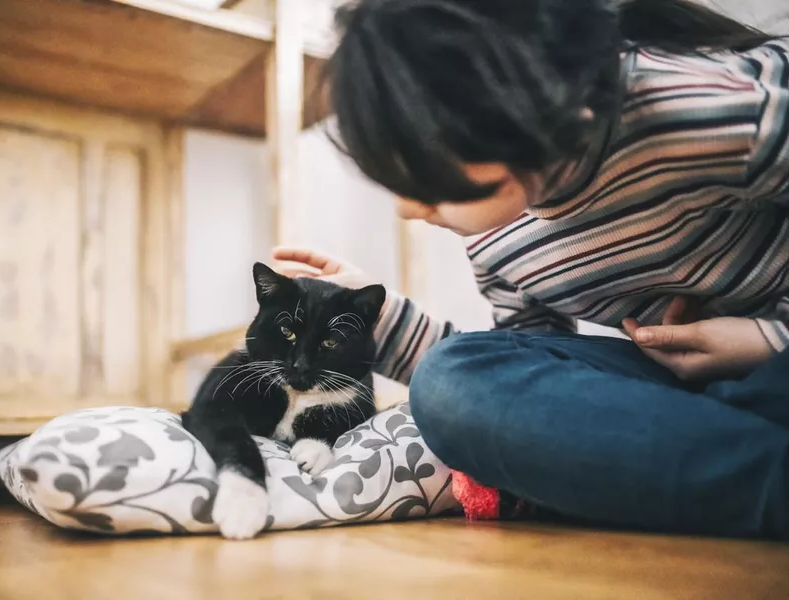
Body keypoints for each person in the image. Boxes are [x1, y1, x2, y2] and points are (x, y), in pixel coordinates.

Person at [274, 0, 789, 539]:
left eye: (425, 180)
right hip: (690, 397)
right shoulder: (494, 235)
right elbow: (531, 370)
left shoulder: (702, 110)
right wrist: (377, 321)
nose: (407, 209)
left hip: (769, 369)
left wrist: (769, 339)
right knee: (452, 382)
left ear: (507, 115)